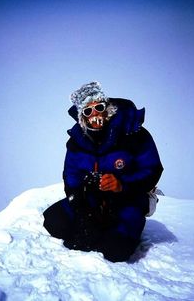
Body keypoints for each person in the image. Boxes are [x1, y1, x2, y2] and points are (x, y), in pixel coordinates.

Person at [43, 82, 163, 262]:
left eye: (98, 107)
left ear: (107, 108)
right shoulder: (77, 140)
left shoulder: (134, 133)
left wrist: (122, 184)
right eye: (87, 111)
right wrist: (79, 204)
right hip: (92, 199)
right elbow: (71, 173)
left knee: (115, 250)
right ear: (81, 116)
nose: (95, 114)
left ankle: (117, 230)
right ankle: (97, 226)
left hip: (128, 199)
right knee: (53, 221)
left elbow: (152, 169)